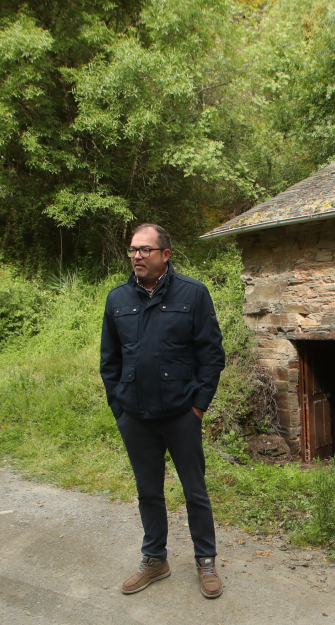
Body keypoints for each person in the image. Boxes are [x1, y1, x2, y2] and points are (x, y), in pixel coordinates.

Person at [100, 223, 227, 599]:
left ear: (165, 255)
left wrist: (198, 409)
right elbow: (110, 360)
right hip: (135, 417)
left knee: (195, 491)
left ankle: (206, 561)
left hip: (181, 416)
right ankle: (155, 559)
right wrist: (119, 408)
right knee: (148, 491)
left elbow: (211, 356)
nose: (137, 256)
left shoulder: (194, 294)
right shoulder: (117, 299)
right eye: (133, 250)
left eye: (145, 250)